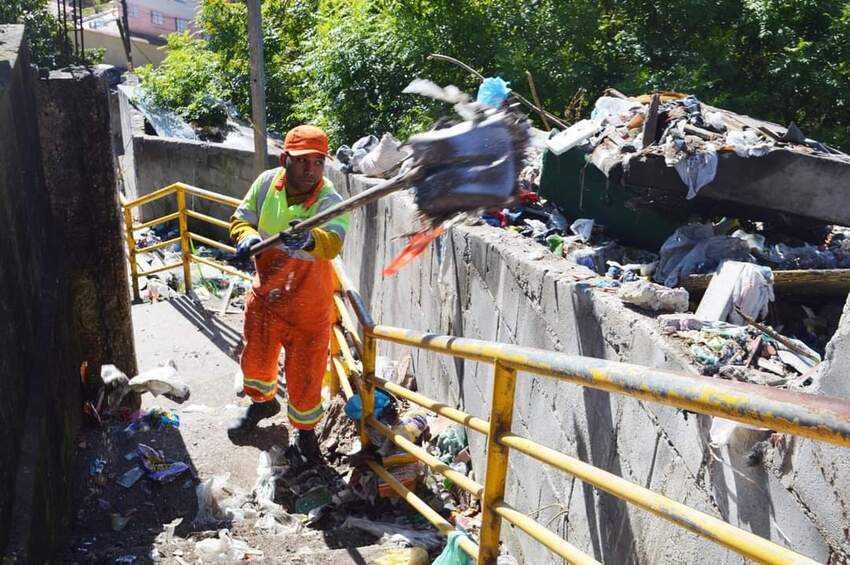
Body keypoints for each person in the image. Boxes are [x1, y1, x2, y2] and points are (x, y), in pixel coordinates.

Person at [227, 125, 350, 462]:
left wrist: (310, 239)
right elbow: (241, 218)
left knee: (306, 375)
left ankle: (306, 433)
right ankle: (262, 403)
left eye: (318, 162)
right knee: (256, 361)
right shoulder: (266, 183)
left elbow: (333, 241)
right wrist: (245, 238)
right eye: (302, 162)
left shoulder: (330, 201)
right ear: (285, 159)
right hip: (267, 299)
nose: (310, 170)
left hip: (309, 309)